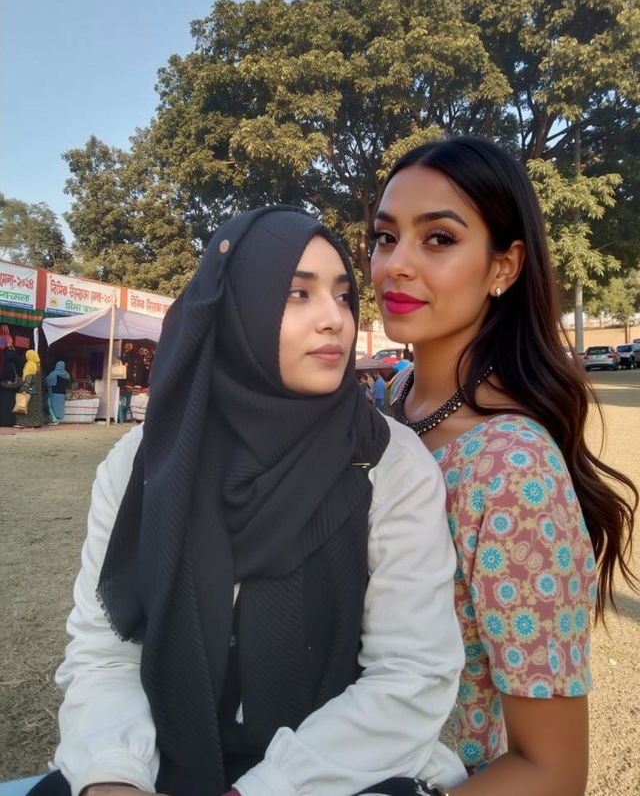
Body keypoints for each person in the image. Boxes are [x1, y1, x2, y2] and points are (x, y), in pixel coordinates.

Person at [31, 207, 466, 796]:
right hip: (161, 768)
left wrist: (261, 789)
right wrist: (114, 776)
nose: (332, 320)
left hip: (332, 777)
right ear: (235, 310)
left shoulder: (388, 463)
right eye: (296, 294)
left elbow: (412, 674)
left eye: (342, 296)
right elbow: (106, 653)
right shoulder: (148, 462)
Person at [371, 137, 638, 796]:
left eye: (438, 239)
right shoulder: (396, 396)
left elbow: (550, 771)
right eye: (384, 236)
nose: (395, 264)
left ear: (504, 265)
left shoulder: (510, 470)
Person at [14, 349, 44, 429]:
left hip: (30, 391)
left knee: (25, 407)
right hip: (37, 391)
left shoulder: (30, 364)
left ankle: (24, 423)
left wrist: (24, 389)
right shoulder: (38, 365)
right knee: (35, 408)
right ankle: (36, 423)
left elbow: (28, 378)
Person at [0, 343, 21, 427]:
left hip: (4, 388)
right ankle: (10, 421)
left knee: (4, 405)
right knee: (12, 405)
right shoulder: (15, 363)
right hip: (13, 389)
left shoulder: (5, 364)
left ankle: (3, 421)